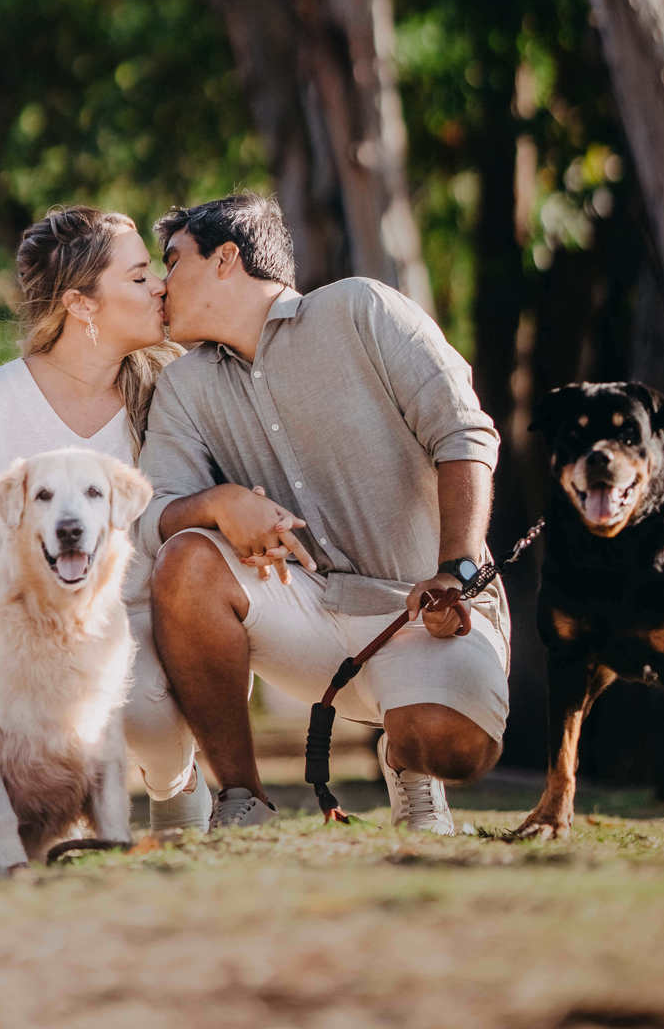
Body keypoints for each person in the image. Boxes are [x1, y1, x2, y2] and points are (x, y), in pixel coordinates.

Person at [138, 192, 509, 833]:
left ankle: (407, 757)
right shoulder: (183, 385)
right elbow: (154, 517)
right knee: (183, 562)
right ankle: (241, 800)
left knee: (447, 745)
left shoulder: (362, 308)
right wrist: (221, 503)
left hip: (426, 611)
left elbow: (465, 435)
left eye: (172, 262)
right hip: (305, 613)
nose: (159, 286)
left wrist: (458, 569)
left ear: (227, 259)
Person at [0, 204, 210, 834]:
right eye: (137, 278)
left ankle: (175, 784)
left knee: (146, 710)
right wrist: (1, 604)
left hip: (127, 638)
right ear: (82, 305)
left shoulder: (176, 394)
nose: (159, 285)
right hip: (14, 639)